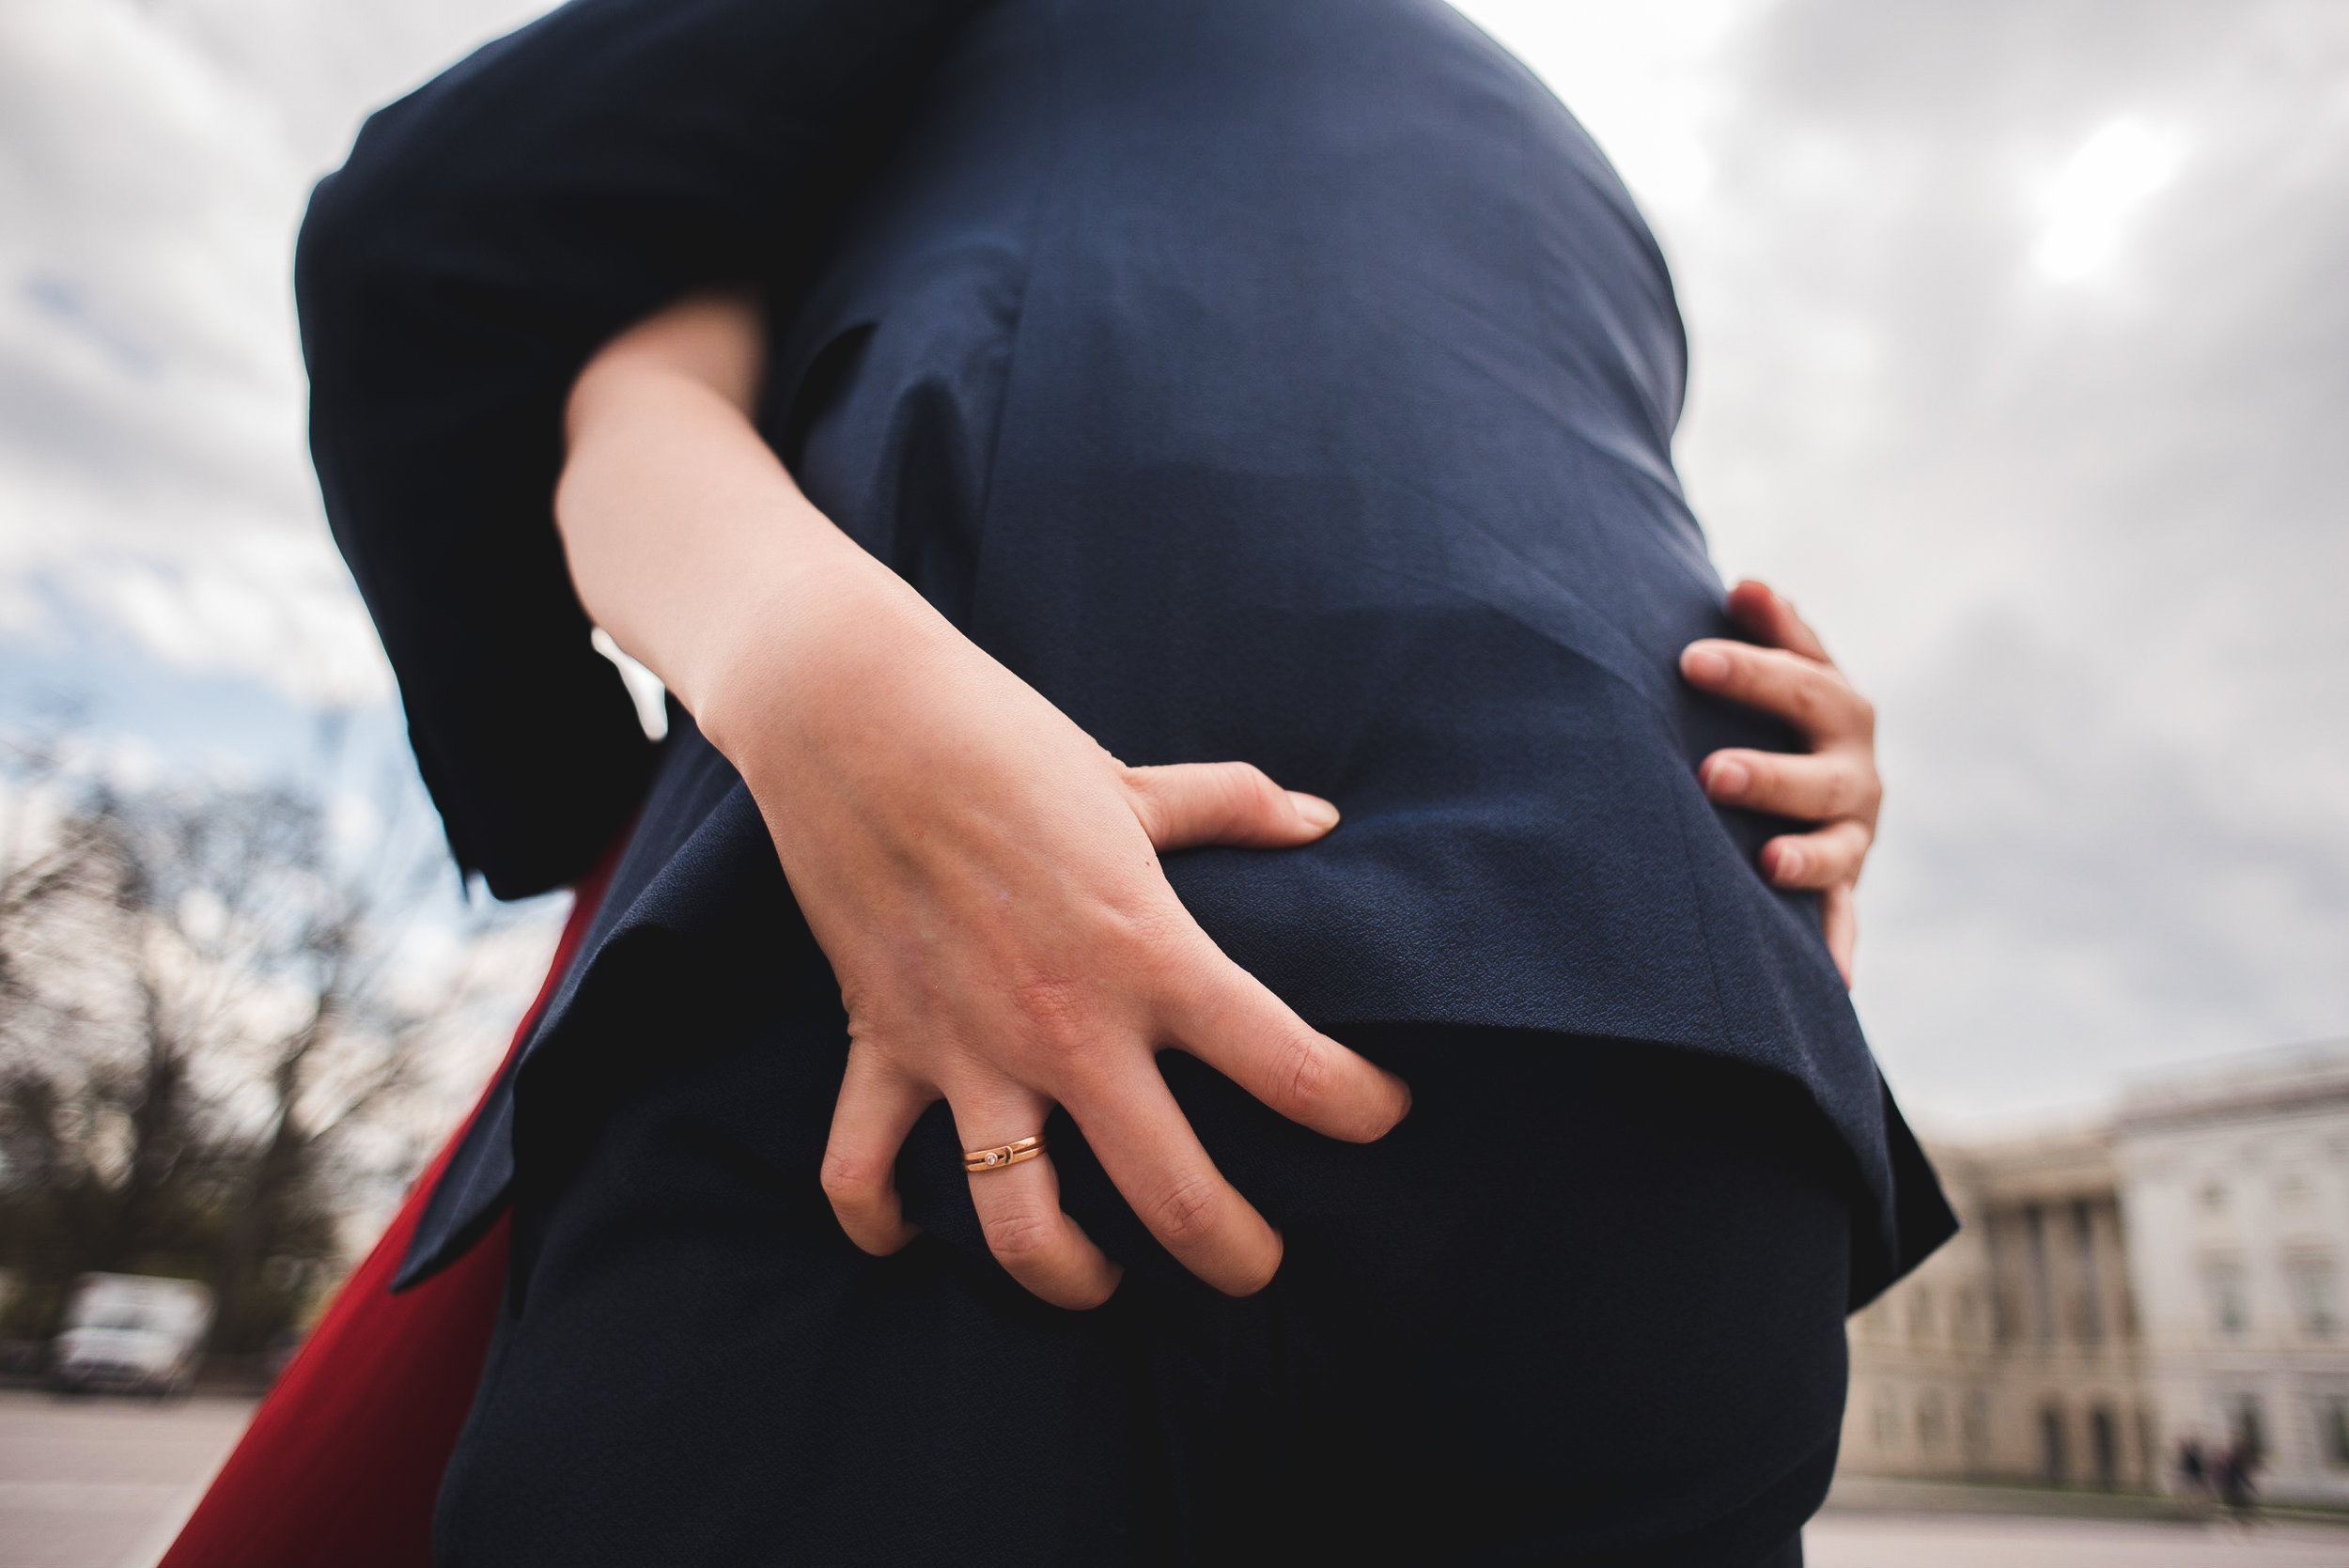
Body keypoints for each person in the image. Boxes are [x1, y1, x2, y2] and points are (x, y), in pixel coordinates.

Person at [267, 0, 1955, 1562]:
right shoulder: (1564, 164)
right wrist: (1741, 786)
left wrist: (593, 801)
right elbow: (1514, 503)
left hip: (924, 1007)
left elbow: (453, 276)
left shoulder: (918, 108)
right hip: (1669, 1060)